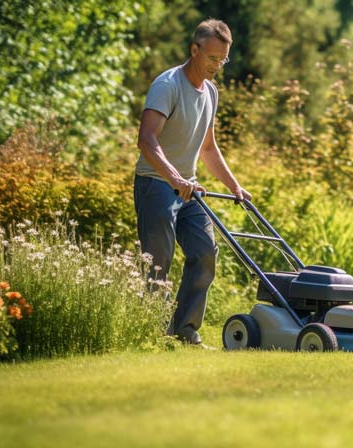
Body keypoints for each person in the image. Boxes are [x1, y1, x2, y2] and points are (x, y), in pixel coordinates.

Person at [134, 19, 251, 345]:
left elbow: (208, 147)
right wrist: (175, 177)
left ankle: (185, 330)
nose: (217, 66)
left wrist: (234, 186)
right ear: (194, 49)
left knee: (204, 252)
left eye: (222, 59)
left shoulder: (210, 92)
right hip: (155, 183)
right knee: (158, 261)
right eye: (212, 58)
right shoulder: (167, 85)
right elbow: (146, 140)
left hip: (189, 190)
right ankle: (151, 331)